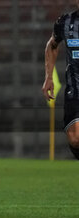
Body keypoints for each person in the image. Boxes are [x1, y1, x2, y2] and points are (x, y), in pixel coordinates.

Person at [42, 1, 79, 160]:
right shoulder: (65, 22)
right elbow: (52, 46)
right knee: (75, 139)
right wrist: (49, 77)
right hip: (75, 89)